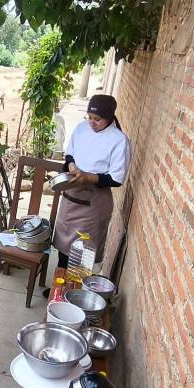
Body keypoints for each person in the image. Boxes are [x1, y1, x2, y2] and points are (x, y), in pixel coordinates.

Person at [52, 93, 131, 272]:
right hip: (71, 197)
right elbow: (69, 154)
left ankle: (75, 287)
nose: (92, 122)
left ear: (109, 118)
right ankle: (60, 282)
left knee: (82, 253)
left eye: (97, 119)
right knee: (63, 249)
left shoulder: (119, 141)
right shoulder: (81, 128)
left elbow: (116, 179)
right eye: (89, 117)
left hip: (93, 203)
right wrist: (72, 166)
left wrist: (88, 177)